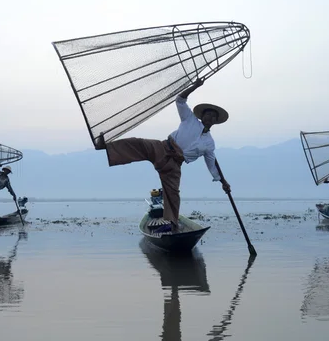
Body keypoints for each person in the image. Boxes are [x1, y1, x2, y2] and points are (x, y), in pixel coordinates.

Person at [95, 79, 231, 233]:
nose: (210, 118)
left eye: (213, 117)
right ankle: (104, 146)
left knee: (173, 195)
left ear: (215, 121)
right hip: (163, 147)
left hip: (175, 165)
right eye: (208, 114)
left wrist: (223, 183)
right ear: (203, 116)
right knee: (138, 144)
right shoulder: (190, 119)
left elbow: (212, 165)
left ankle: (172, 224)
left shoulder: (209, 143)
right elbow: (180, 99)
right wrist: (195, 86)